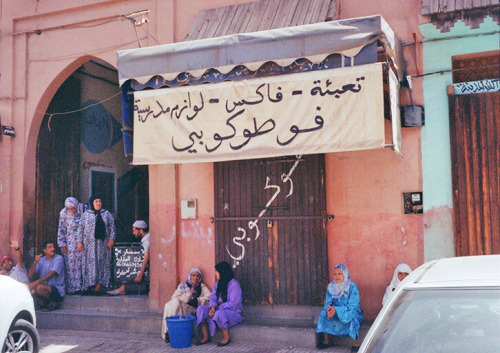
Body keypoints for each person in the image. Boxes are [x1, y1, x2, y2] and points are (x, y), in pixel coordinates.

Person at [316, 263, 363, 352]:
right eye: (335, 274)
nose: (337, 276)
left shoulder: (352, 286)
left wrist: (336, 310)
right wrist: (329, 309)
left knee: (352, 318)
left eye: (339, 274)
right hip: (335, 310)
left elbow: (353, 305)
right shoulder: (331, 287)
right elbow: (328, 302)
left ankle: (355, 344)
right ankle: (326, 341)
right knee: (323, 314)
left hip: (351, 310)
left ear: (345, 274)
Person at [196, 261, 243, 347]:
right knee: (200, 309)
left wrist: (219, 308)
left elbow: (234, 303)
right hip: (218, 309)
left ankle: (226, 337)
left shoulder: (234, 284)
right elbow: (213, 296)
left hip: (234, 312)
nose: (215, 274)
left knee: (219, 313)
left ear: (222, 272)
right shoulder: (219, 283)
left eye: (217, 272)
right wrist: (212, 307)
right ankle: (205, 336)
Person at [77, 195, 116, 294]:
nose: (98, 203)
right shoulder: (86, 215)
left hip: (103, 245)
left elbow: (112, 226)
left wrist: (112, 238)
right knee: (89, 264)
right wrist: (79, 241)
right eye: (96, 201)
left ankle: (99, 285)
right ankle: (89, 285)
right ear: (92, 203)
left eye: (100, 201)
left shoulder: (106, 214)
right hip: (88, 245)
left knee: (101, 263)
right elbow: (80, 228)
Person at [161, 267, 211, 342]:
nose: (195, 278)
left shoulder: (202, 287)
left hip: (191, 310)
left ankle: (172, 332)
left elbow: (209, 296)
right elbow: (174, 298)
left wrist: (198, 300)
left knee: (178, 307)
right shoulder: (183, 286)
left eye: (198, 276)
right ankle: (168, 331)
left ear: (200, 278)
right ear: (190, 276)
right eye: (193, 275)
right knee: (169, 305)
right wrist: (188, 294)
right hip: (180, 306)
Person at [107, 220, 150, 295]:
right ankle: (122, 288)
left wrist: (140, 274)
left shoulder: (147, 240)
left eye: (134, 231)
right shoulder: (146, 238)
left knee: (127, 265)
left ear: (141, 230)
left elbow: (147, 256)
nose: (133, 233)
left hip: (147, 268)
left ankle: (122, 288)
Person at [57, 196, 86, 294]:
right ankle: (72, 289)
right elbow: (61, 229)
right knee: (70, 266)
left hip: (82, 243)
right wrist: (62, 244)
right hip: (69, 243)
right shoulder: (63, 213)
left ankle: (83, 288)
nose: (71, 210)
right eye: (69, 209)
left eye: (73, 208)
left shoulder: (83, 210)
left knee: (82, 264)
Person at [28, 240, 65, 311]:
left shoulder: (59, 258)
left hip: (56, 289)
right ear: (44, 250)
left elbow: (52, 273)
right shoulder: (41, 260)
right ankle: (43, 304)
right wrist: (35, 262)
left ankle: (53, 302)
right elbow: (30, 275)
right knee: (25, 284)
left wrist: (36, 282)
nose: (53, 249)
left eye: (53, 247)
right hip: (43, 286)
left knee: (39, 288)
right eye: (50, 247)